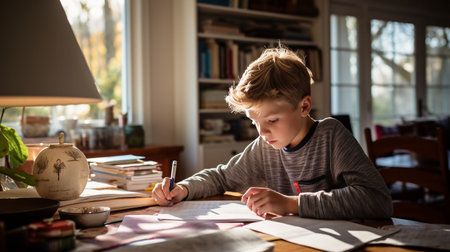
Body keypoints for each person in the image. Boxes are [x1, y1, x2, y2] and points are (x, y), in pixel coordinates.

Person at [152, 46, 392, 220]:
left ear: (304, 106)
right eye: (254, 121)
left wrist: (291, 203)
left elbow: (377, 200)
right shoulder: (266, 145)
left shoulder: (331, 136)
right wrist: (183, 188)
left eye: (272, 120)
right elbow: (222, 177)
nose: (263, 131)